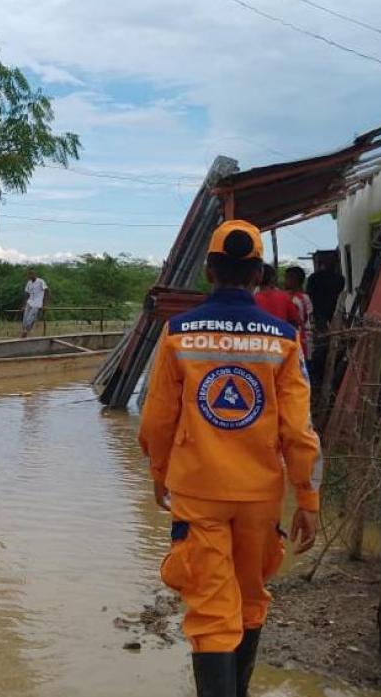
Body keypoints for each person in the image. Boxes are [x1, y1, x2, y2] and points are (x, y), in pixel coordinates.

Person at [138, 219, 323, 697]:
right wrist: (308, 496)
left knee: (211, 611)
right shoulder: (283, 338)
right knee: (250, 599)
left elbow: (156, 419)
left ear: (208, 270)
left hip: (198, 492)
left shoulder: (178, 333)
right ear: (259, 272)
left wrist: (159, 474)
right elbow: (299, 430)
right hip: (260, 494)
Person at [305, 254, 345, 332]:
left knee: (322, 332)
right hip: (334, 308)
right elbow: (340, 290)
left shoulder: (313, 277)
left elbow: (309, 293)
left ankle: (323, 342)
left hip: (319, 310)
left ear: (321, 265)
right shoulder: (339, 278)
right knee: (335, 331)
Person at [253, 264, 300, 331]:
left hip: (260, 338)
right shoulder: (285, 297)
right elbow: (295, 322)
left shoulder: (252, 299)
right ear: (273, 278)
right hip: (282, 338)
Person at [285, 265, 314, 358]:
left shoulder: (296, 299)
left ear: (295, 280)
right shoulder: (305, 297)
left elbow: (296, 321)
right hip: (306, 340)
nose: (285, 281)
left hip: (300, 341)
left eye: (288, 278)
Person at [20, 269, 49, 338]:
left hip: (37, 303)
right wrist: (24, 305)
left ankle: (25, 332)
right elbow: (26, 294)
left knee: (31, 318)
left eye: (32, 274)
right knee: (25, 318)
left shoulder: (40, 281)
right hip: (29, 302)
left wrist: (45, 305)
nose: (30, 276)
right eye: (29, 274)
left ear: (35, 274)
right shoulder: (29, 282)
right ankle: (24, 331)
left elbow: (47, 292)